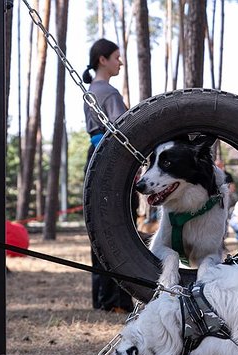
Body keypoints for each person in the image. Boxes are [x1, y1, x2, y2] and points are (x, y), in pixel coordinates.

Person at [82, 38, 133, 313]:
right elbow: (126, 130)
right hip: (112, 160)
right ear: (102, 59)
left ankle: (103, 299)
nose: (120, 62)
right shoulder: (109, 93)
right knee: (118, 228)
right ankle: (116, 301)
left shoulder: (92, 89)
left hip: (96, 158)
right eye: (116, 57)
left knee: (100, 230)